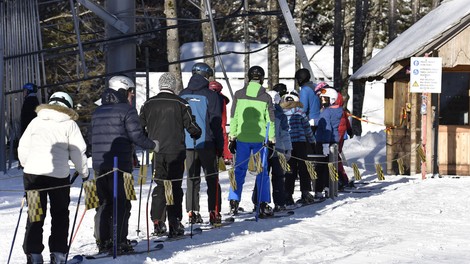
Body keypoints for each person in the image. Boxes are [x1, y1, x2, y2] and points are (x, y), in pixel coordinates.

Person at [19, 91, 89, 264]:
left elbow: (23, 147)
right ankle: (58, 254)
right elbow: (77, 151)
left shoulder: (36, 121)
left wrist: (29, 164)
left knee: (35, 214)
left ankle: (33, 255)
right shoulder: (69, 124)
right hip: (58, 176)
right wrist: (84, 172)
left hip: (33, 176)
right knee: (60, 214)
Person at [91, 75, 158, 254]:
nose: (133, 95)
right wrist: (153, 145)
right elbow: (136, 136)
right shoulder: (127, 110)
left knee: (104, 203)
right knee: (123, 203)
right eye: (130, 91)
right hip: (121, 166)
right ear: (122, 90)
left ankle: (103, 240)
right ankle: (119, 241)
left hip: (100, 166)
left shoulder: (97, 111)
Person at [140, 72, 202, 236]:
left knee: (160, 185)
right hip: (176, 150)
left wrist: (147, 139)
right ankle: (174, 222)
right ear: (173, 86)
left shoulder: (148, 104)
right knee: (174, 186)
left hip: (157, 150)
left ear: (160, 86)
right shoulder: (181, 103)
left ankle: (157, 221)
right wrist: (196, 132)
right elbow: (192, 126)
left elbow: (139, 127)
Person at [180, 63, 224, 225]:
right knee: (212, 178)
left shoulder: (182, 94)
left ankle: (192, 211)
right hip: (207, 143)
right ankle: (214, 211)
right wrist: (220, 145)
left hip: (188, 144)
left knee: (192, 178)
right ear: (206, 75)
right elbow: (215, 122)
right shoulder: (211, 95)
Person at [228, 65, 275, 217]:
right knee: (262, 172)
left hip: (242, 137)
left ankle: (234, 201)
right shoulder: (266, 97)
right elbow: (271, 120)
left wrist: (232, 136)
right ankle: (262, 203)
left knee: (239, 170)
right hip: (260, 140)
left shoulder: (238, 94)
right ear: (261, 79)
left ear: (248, 77)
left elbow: (234, 117)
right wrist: (272, 139)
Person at [280, 90, 316, 205]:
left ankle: (288, 194)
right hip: (300, 143)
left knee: (290, 169)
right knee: (303, 168)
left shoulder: (282, 112)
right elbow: (307, 128)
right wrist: (312, 141)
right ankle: (305, 192)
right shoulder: (300, 112)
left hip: (287, 144)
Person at [266, 90, 292, 212]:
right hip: (277, 149)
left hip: (267, 148)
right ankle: (279, 202)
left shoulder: (277, 114)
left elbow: (285, 133)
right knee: (278, 177)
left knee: (264, 176)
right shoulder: (280, 114)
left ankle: (261, 202)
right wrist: (288, 149)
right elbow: (285, 133)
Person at [315, 88, 344, 194]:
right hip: (334, 140)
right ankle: (329, 187)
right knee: (331, 165)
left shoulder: (327, 112)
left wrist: (325, 144)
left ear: (331, 99)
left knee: (320, 166)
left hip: (324, 141)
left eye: (324, 99)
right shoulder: (338, 110)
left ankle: (319, 189)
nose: (322, 101)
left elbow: (327, 127)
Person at [209, 80, 233, 165]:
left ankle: (225, 156)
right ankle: (225, 156)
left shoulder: (213, 97)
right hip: (219, 122)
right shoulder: (221, 98)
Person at [334, 92, 353, 188]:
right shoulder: (341, 110)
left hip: (336, 135)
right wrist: (349, 130)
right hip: (340, 135)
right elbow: (347, 122)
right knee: (336, 156)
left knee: (335, 157)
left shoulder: (333, 111)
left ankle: (341, 178)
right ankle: (341, 178)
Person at [295, 69, 321, 135]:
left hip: (310, 122)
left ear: (300, 80)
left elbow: (303, 108)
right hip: (319, 120)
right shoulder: (316, 86)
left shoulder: (305, 90)